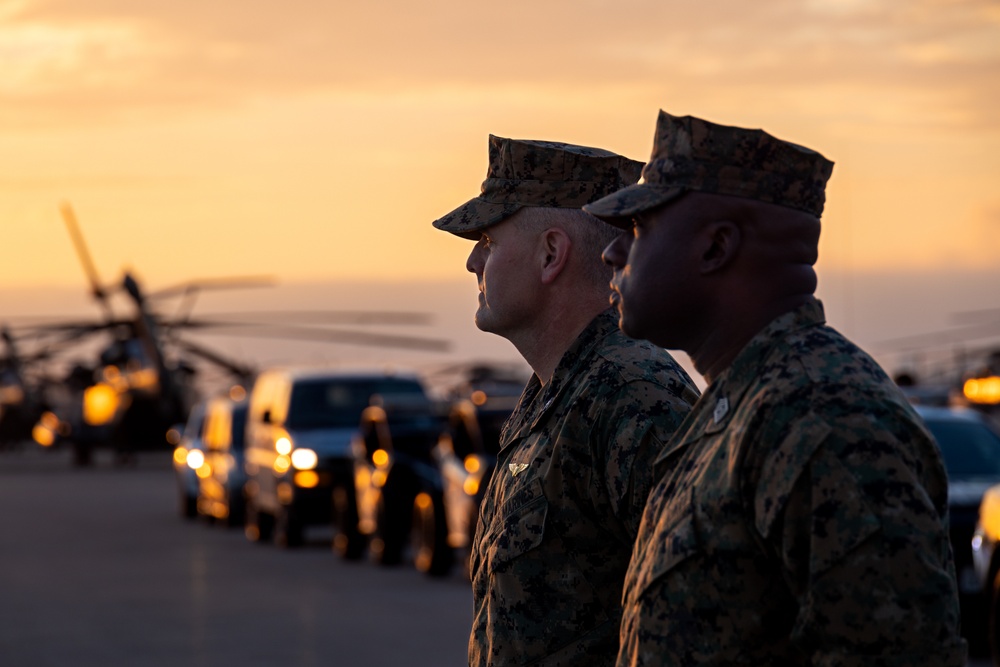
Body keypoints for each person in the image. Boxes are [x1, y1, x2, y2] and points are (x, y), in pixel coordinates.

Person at [586, 110, 967, 666]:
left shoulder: (826, 420)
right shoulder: (741, 405)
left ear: (715, 248)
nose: (612, 252)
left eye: (640, 229)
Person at [433, 135, 700, 667]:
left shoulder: (633, 400)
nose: (472, 261)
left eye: (487, 238)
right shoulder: (554, 392)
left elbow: (695, 623)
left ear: (551, 254)